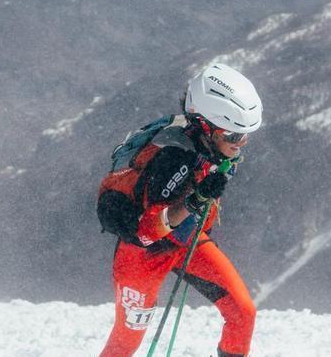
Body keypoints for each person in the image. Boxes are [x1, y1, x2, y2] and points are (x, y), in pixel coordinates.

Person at [99, 63, 262, 357]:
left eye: (245, 135)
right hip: (141, 255)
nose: (240, 144)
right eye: (234, 136)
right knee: (126, 341)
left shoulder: (213, 146)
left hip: (186, 241)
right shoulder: (173, 157)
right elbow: (148, 232)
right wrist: (194, 201)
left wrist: (197, 203)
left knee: (243, 313)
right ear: (206, 126)